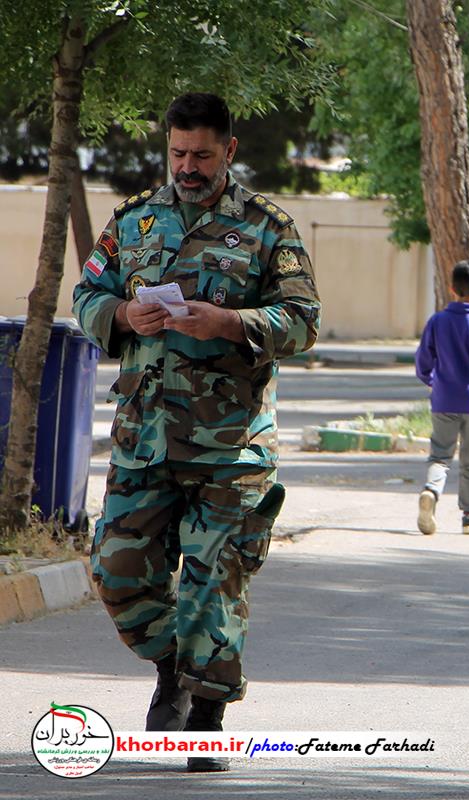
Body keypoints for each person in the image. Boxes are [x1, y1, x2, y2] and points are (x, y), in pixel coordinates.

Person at [73, 92, 320, 771]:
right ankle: (176, 668)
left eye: (201, 155)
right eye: (177, 153)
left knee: (213, 583)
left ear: (229, 152)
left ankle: (204, 717)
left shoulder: (268, 228)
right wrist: (123, 312)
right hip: (143, 436)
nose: (186, 166)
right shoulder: (134, 221)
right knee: (117, 569)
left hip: (231, 444)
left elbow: (303, 319)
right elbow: (86, 297)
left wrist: (234, 323)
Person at [415, 259, 469, 537]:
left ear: (452, 289)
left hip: (442, 400)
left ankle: (431, 490)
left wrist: (432, 381)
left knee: (440, 455)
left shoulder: (437, 322)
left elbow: (423, 361)